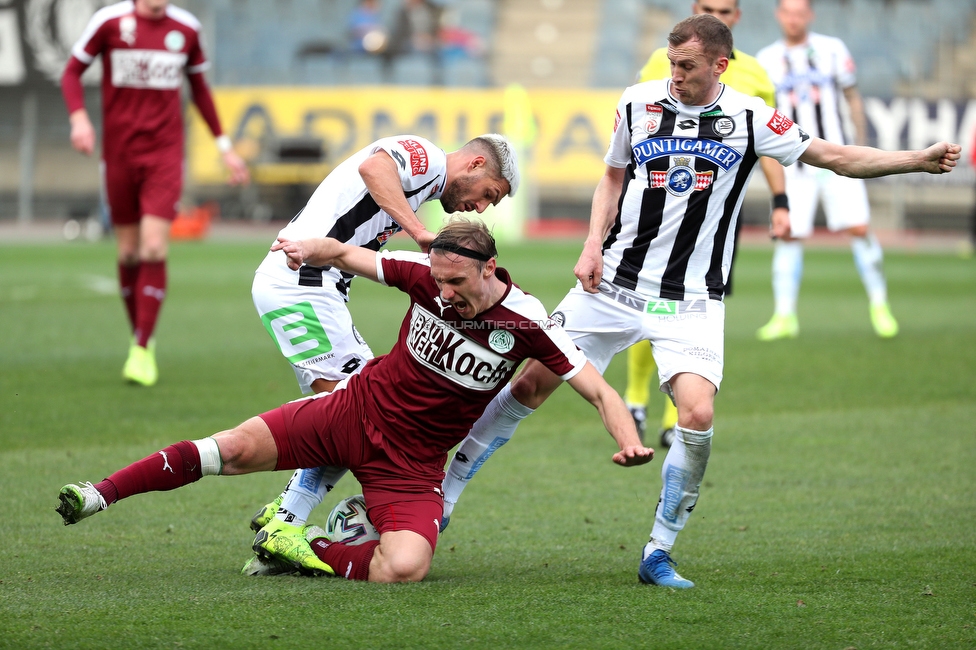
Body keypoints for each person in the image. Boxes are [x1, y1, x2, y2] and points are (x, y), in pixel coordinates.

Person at [438, 14, 960, 589]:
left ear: (719, 65)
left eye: (687, 66)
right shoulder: (638, 102)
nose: (676, 75)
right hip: (611, 285)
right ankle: (444, 499)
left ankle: (658, 551)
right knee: (527, 384)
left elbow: (835, 157)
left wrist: (914, 159)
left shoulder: (751, 117)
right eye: (671, 63)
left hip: (691, 299)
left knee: (698, 415)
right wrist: (591, 246)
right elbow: (611, 178)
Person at [56, 218, 654, 583]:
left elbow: (596, 388)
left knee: (405, 568)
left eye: (456, 283)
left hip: (413, 465)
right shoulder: (423, 275)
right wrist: (310, 247)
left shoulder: (525, 321)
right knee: (232, 449)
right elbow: (349, 257)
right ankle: (98, 495)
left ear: (490, 268)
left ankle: (301, 548)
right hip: (351, 412)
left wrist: (628, 440)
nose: (443, 295)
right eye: (437, 281)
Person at [246, 134, 522, 568]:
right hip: (303, 283)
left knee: (343, 412)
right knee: (358, 413)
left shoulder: (426, 181)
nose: (482, 207)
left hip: (304, 286)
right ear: (474, 163)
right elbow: (374, 168)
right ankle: (285, 521)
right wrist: (420, 234)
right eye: (489, 194)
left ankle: (283, 513)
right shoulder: (427, 156)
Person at [626, 0, 790, 450]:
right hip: (658, 208)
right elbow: (639, 127)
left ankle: (669, 416)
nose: (719, 13)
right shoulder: (662, 63)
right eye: (708, 6)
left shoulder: (755, 75)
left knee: (691, 307)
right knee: (649, 304)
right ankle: (636, 399)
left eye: (726, 9)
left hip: (715, 216)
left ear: (737, 18)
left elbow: (771, 146)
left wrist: (781, 200)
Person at [60, 0, 250, 387]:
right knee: (128, 252)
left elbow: (200, 90)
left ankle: (143, 346)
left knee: (152, 246)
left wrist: (225, 147)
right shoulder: (109, 22)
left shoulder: (187, 29)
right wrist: (79, 119)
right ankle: (140, 340)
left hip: (164, 156)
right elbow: (71, 72)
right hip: (118, 156)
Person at [754, 0, 898, 341]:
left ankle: (880, 304)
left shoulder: (832, 49)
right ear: (779, 15)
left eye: (800, 12)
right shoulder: (767, 59)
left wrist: (862, 149)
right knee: (788, 234)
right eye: (787, 12)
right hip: (794, 162)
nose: (793, 19)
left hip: (837, 159)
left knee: (860, 228)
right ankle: (784, 315)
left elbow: (853, 98)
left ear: (810, 15)